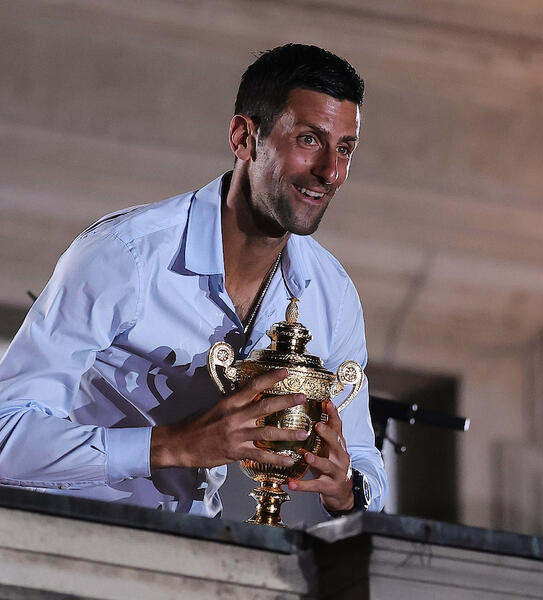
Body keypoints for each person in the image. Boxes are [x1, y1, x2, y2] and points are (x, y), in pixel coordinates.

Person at [0, 44, 387, 518]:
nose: (330, 171)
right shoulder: (125, 255)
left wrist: (346, 491)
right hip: (61, 539)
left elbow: (366, 464)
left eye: (344, 148)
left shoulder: (333, 294)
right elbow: (6, 434)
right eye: (309, 140)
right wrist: (177, 445)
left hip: (197, 547)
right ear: (244, 138)